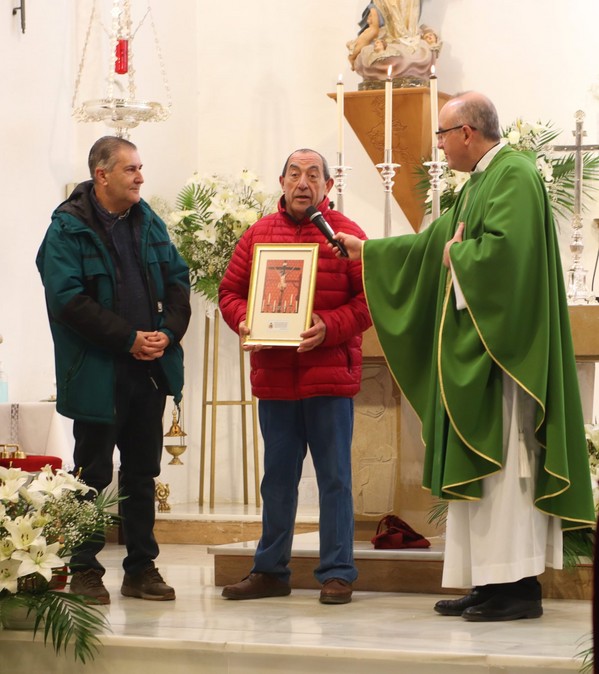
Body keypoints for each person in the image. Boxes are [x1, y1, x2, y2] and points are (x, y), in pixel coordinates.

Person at [334, 92, 595, 621]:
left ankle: (519, 590)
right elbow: (433, 244)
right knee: (484, 477)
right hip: (476, 353)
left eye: (442, 136)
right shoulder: (480, 182)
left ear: (469, 133)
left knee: (506, 475)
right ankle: (488, 581)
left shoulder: (515, 175)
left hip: (504, 358)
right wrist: (370, 252)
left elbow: (503, 258)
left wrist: (458, 253)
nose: (439, 147)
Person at [36, 136, 191, 604]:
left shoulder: (149, 223)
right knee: (91, 476)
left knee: (142, 475)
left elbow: (178, 279)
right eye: (131, 170)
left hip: (148, 372)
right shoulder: (67, 229)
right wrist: (128, 338)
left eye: (140, 168)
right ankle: (84, 570)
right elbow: (67, 300)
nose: (141, 177)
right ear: (102, 175)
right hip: (99, 374)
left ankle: (142, 568)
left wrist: (168, 333)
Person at [218, 148, 372, 605]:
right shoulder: (258, 235)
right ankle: (269, 571)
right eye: (294, 174)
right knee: (277, 480)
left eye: (313, 174)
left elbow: (369, 303)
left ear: (327, 184)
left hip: (328, 378)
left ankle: (338, 572)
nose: (303, 182)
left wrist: (328, 327)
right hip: (277, 379)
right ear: (281, 181)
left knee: (335, 479)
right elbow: (230, 292)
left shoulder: (349, 236)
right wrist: (245, 319)